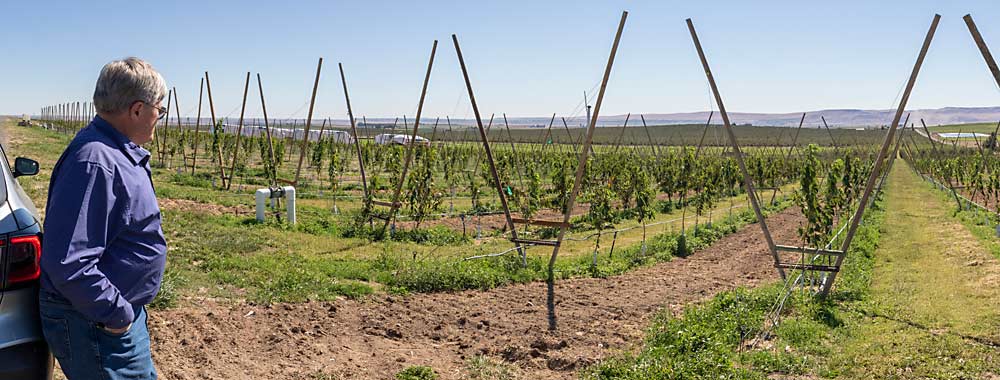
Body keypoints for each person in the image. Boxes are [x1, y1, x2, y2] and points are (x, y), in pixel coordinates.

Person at [38, 57, 168, 380]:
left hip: (104, 320)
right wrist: (117, 314)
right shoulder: (95, 162)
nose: (159, 117)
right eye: (159, 110)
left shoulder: (112, 151)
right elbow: (68, 261)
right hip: (95, 323)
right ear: (137, 110)